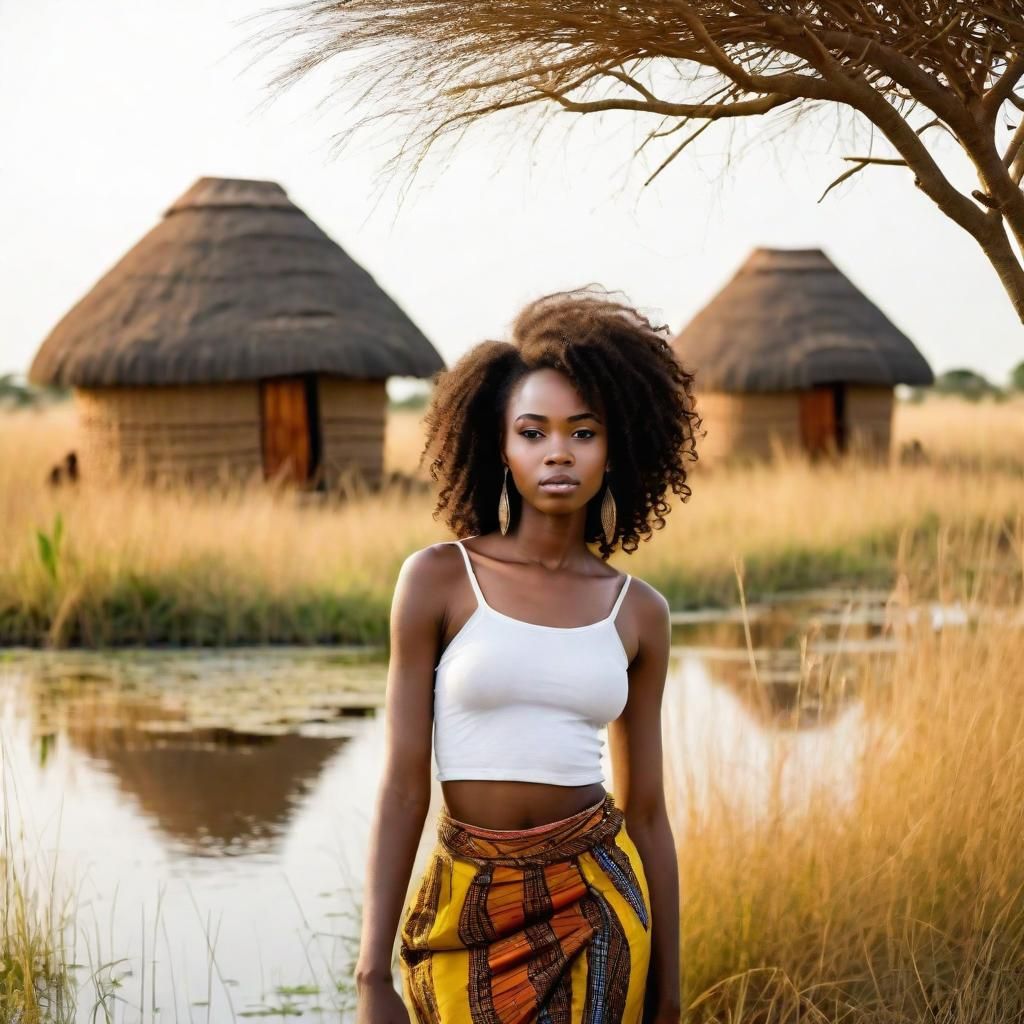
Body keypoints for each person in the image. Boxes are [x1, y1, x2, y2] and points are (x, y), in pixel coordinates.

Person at [355, 287, 701, 1023]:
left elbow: (647, 812)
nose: (557, 454)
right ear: (501, 446)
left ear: (615, 450)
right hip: (463, 905)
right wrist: (368, 975)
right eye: (534, 432)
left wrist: (669, 990)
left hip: (597, 904)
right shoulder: (439, 580)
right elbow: (403, 788)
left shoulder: (638, 611)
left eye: (583, 433)